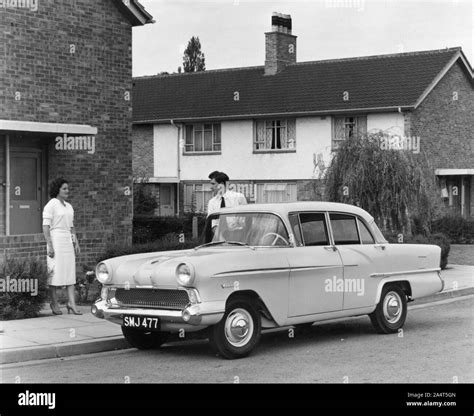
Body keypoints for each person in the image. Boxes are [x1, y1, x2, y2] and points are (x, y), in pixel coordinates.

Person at [42, 178, 82, 315]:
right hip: (56, 240)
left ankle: (72, 304)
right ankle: (54, 303)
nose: (67, 191)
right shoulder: (51, 205)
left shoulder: (69, 206)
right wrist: (50, 245)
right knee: (55, 273)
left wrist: (75, 241)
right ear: (57, 190)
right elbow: (46, 227)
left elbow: (71, 227)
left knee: (70, 273)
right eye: (64, 188)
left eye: (68, 188)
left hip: (67, 241)